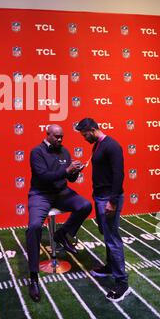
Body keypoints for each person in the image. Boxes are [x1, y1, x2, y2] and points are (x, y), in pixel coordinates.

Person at [26, 124, 92, 302]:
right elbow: (43, 177)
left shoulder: (65, 151)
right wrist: (66, 170)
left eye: (62, 137)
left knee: (85, 205)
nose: (60, 140)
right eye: (56, 137)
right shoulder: (36, 152)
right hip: (40, 194)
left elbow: (69, 178)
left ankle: (62, 234)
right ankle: (33, 277)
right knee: (33, 227)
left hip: (62, 193)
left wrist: (75, 172)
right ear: (47, 135)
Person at [75, 118, 131, 302]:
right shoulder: (98, 144)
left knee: (112, 238)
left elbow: (119, 174)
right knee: (106, 233)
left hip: (108, 198)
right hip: (100, 197)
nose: (84, 138)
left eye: (84, 134)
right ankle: (109, 266)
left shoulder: (112, 146)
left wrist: (113, 201)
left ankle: (122, 284)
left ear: (92, 129)